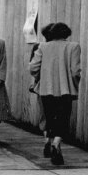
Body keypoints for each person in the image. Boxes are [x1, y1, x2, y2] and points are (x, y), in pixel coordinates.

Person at [29, 21, 81, 165]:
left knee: (50, 118)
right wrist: (74, 85)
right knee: (63, 119)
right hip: (66, 90)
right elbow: (76, 71)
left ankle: (50, 141)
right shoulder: (74, 46)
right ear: (66, 33)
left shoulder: (43, 47)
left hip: (46, 89)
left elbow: (33, 67)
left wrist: (40, 78)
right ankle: (56, 144)